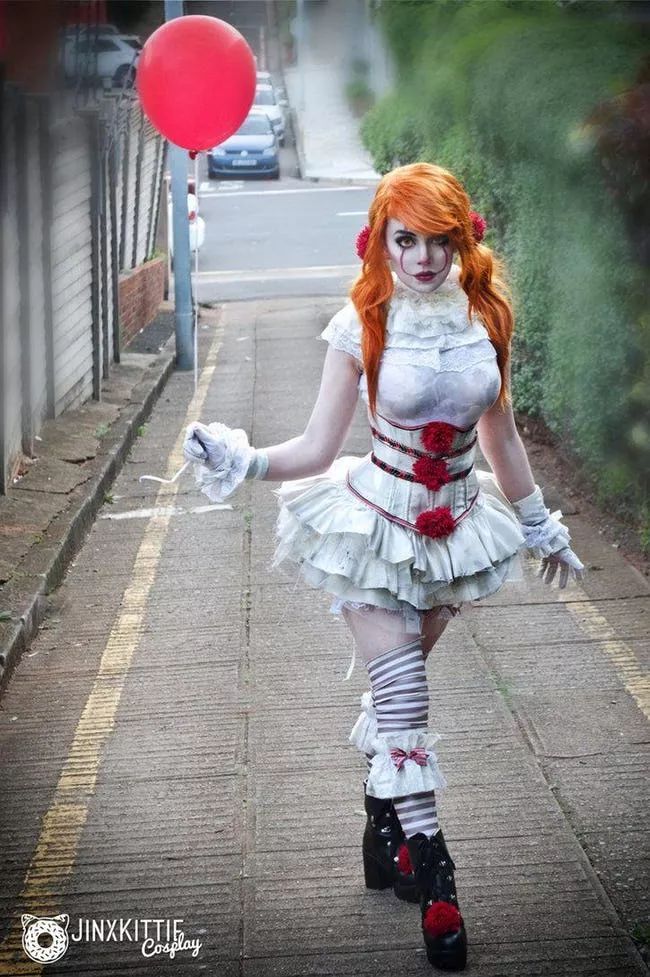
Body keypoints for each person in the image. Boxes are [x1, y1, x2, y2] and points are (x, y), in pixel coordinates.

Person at [183, 162, 585, 972]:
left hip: (455, 533)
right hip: (372, 528)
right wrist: (243, 459)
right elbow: (316, 449)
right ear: (381, 241)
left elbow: (502, 440)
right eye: (408, 240)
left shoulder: (485, 319)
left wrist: (541, 526)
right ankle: (439, 885)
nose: (425, 258)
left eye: (440, 240)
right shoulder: (360, 322)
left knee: (393, 693)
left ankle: (383, 821)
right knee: (405, 695)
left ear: (463, 240)